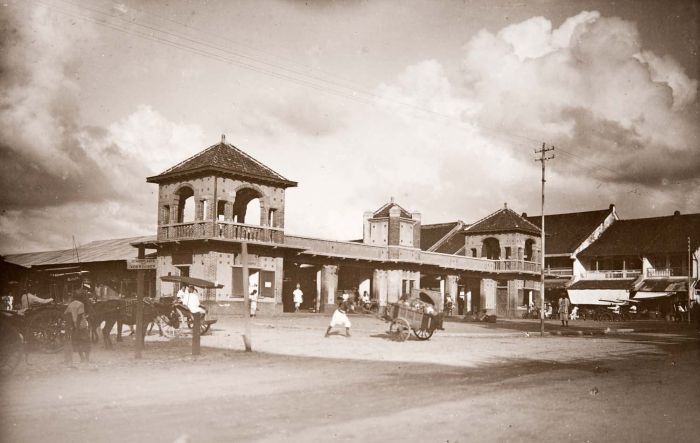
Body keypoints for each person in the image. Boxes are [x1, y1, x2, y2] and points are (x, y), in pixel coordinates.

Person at [63, 292, 91, 365]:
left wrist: (73, 324)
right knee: (87, 342)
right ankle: (87, 359)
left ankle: (82, 358)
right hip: (82, 326)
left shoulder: (71, 305)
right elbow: (80, 316)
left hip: (74, 327)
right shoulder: (81, 304)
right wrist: (78, 326)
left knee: (78, 343)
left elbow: (66, 314)